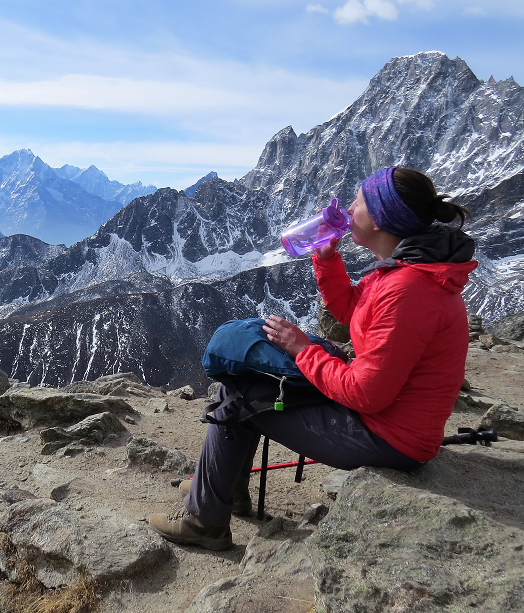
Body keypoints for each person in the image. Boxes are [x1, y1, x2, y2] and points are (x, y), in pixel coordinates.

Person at [148, 166, 477, 550]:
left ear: (383, 218)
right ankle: (222, 488)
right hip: (388, 421)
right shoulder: (407, 270)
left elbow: (367, 395)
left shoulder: (409, 289)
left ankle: (205, 520)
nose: (349, 209)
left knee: (239, 392)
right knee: (257, 379)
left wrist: (303, 350)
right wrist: (325, 258)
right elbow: (355, 312)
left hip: (388, 437)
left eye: (359, 202)